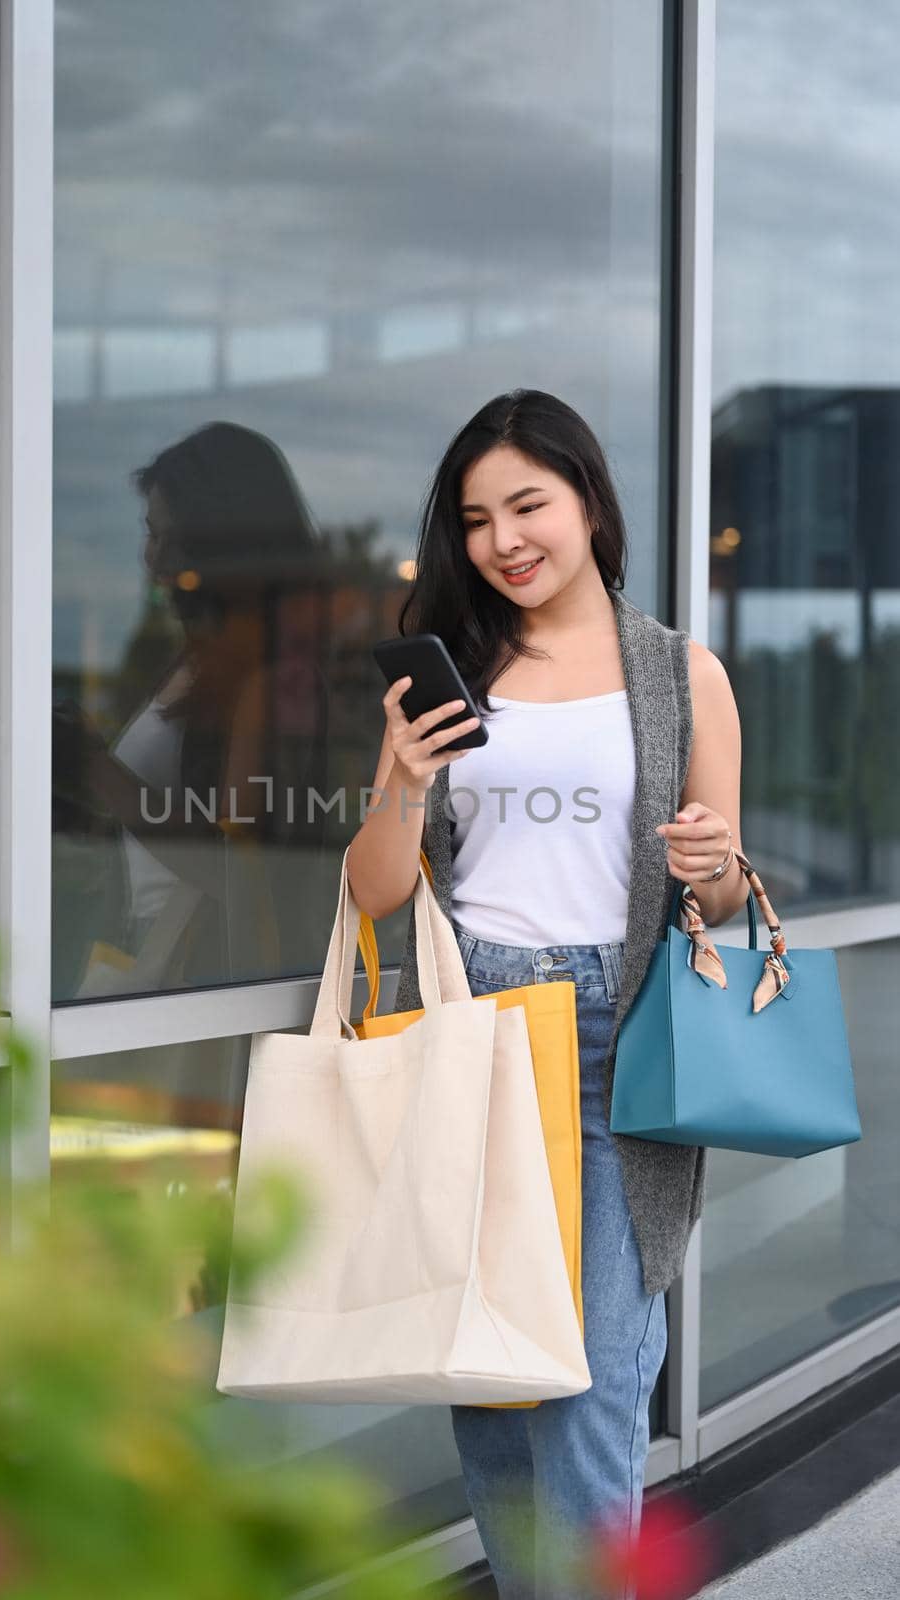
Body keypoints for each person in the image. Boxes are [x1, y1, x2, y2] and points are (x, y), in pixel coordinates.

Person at [346, 389, 747, 1599]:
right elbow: (372, 891)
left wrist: (707, 864)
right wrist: (405, 778)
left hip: (614, 1036)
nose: (503, 538)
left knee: (592, 1371)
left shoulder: (681, 672)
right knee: (490, 1379)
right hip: (472, 1030)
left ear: (585, 502)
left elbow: (723, 889)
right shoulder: (451, 672)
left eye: (527, 503)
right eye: (475, 518)